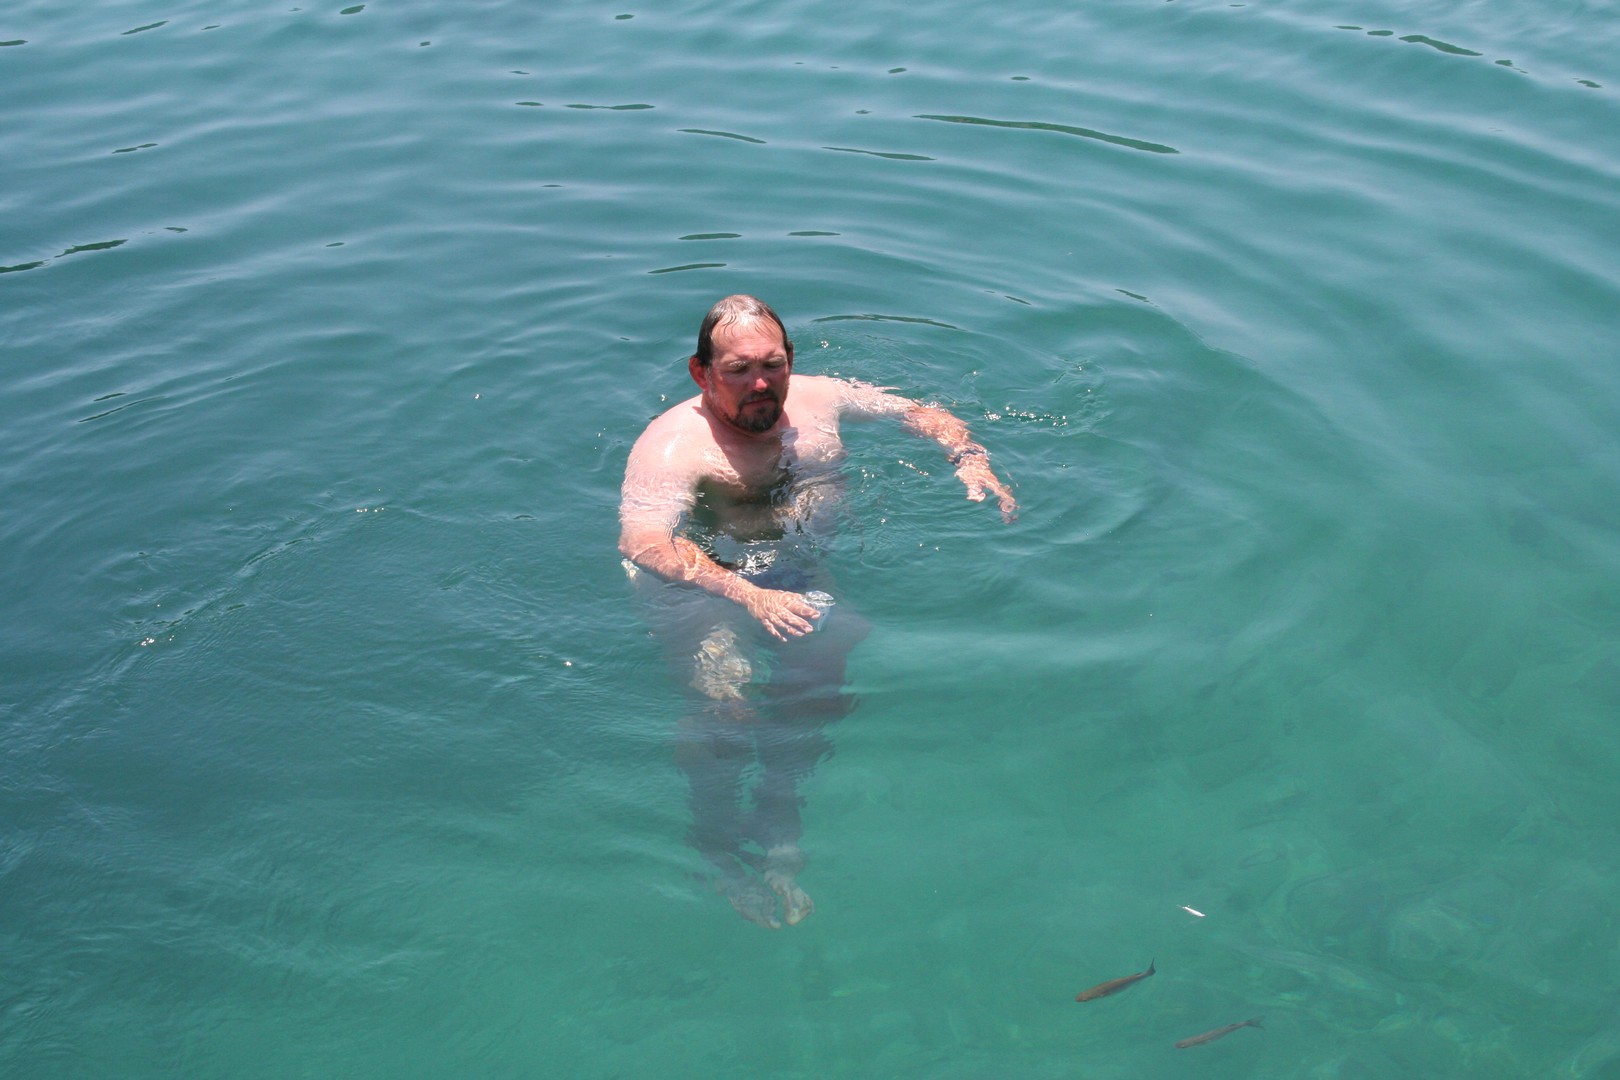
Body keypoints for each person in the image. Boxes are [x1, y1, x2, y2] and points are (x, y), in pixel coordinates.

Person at [619, 294, 1017, 928]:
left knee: (819, 687)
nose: (760, 383)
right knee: (726, 707)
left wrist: (970, 460)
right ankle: (716, 848)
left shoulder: (820, 397)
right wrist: (747, 594)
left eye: (772, 365)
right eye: (738, 370)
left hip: (793, 570)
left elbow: (921, 413)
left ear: (790, 359)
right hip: (698, 578)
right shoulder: (674, 445)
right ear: (701, 373)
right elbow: (642, 542)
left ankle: (780, 828)